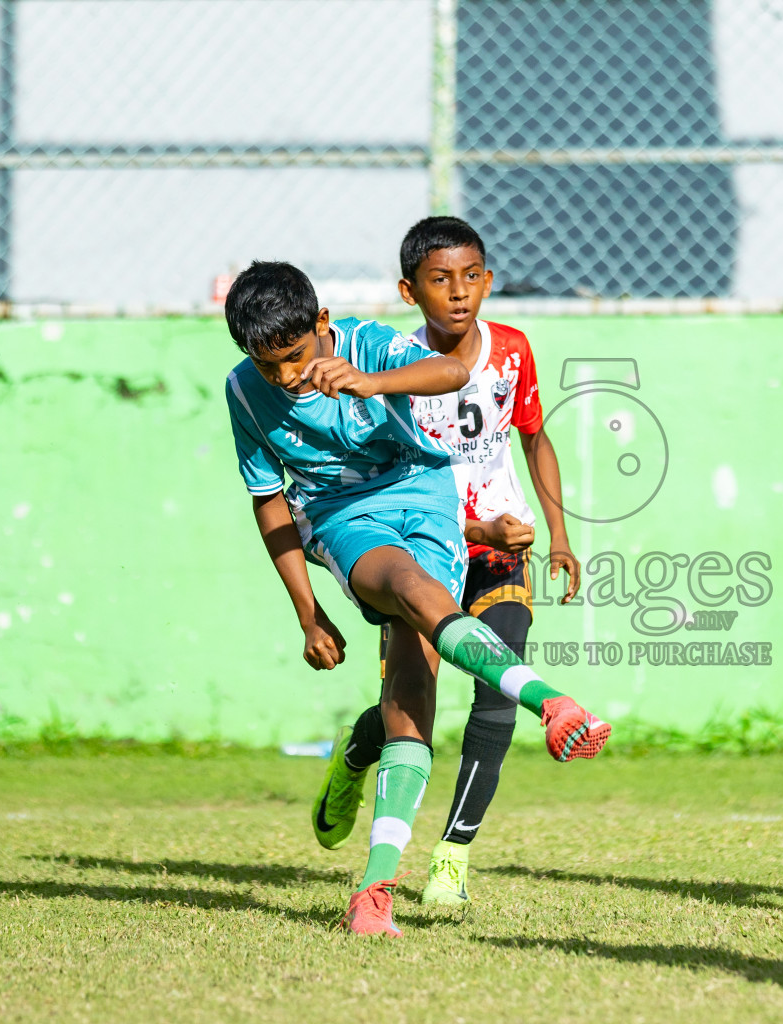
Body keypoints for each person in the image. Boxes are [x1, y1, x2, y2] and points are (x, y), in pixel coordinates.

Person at [221, 261, 609, 937]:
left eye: (293, 357)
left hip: (427, 497)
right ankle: (552, 702)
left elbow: (450, 373)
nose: (283, 376)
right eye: (265, 363)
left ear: (321, 325)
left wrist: (371, 383)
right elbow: (270, 504)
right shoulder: (245, 392)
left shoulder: (368, 345)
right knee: (404, 585)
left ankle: (373, 885)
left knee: (410, 695)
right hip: (344, 519)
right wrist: (308, 613)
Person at [337, 216, 583, 908]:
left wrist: (558, 534)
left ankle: (454, 852)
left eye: (470, 277)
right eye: (439, 280)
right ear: (408, 289)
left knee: (501, 684)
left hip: (501, 556)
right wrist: (476, 525)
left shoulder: (512, 351)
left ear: (489, 281)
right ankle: (357, 755)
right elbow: (389, 480)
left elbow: (534, 438)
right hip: (425, 550)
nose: (458, 293)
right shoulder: (393, 368)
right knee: (410, 701)